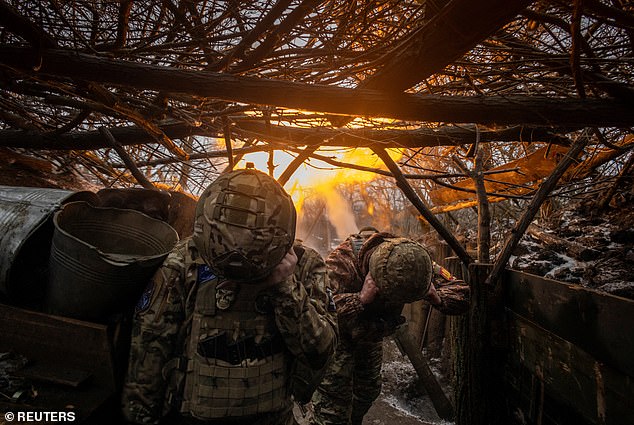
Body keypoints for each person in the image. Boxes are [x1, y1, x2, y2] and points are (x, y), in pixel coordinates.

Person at [121, 168, 338, 425]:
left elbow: (320, 352)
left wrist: (285, 287)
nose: (238, 249)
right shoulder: (184, 262)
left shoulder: (304, 265)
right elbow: (149, 352)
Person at [311, 227, 469, 425]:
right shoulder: (341, 262)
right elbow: (317, 310)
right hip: (339, 339)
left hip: (371, 335)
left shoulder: (412, 260)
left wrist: (437, 298)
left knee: (367, 393)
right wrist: (359, 299)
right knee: (332, 406)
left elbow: (463, 292)